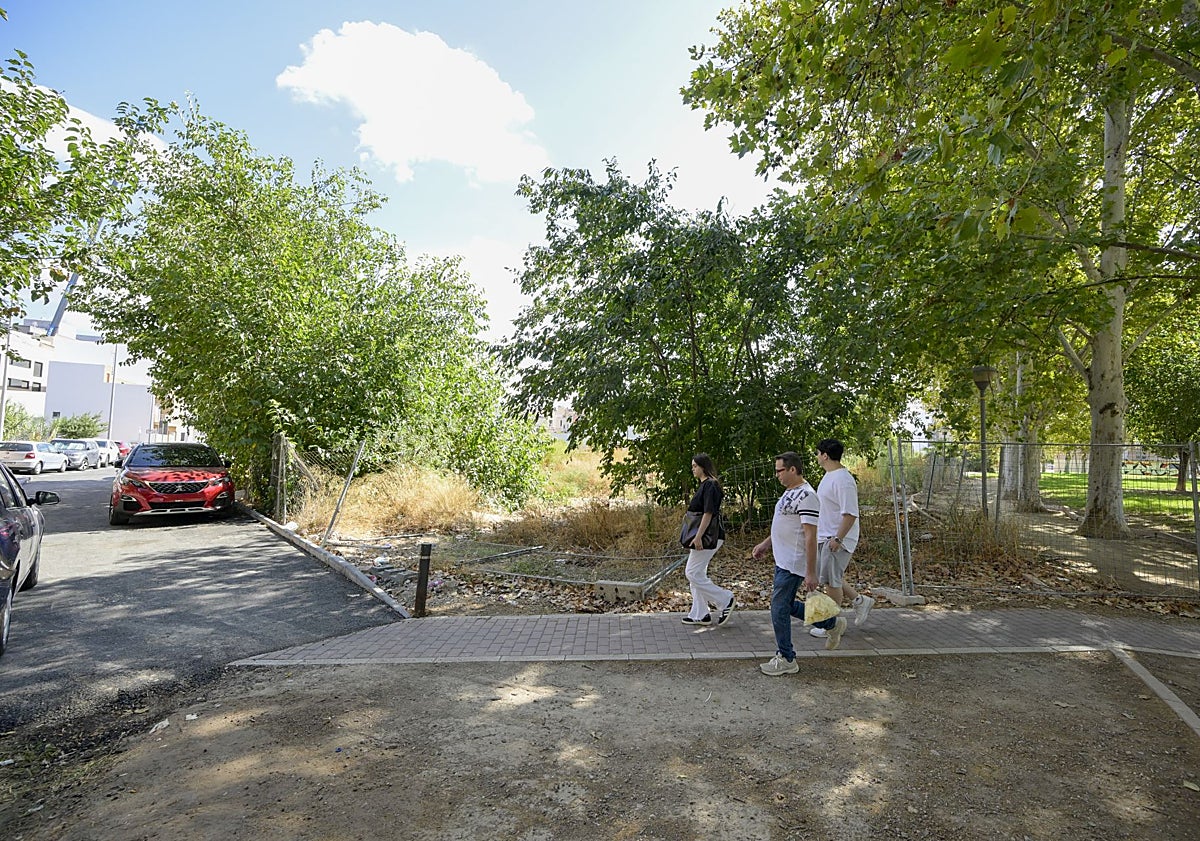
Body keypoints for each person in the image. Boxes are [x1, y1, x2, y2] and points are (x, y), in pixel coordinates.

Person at [752, 452, 846, 675]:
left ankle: (786, 658)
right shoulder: (789, 493)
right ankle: (832, 624)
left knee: (778, 609)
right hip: (782, 560)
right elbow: (783, 524)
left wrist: (810, 572)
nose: (777, 475)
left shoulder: (807, 496)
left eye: (779, 471)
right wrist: (767, 544)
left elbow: (810, 536)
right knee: (785, 606)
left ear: (792, 469)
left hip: (794, 563)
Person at [810, 438, 874, 641]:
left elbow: (850, 513)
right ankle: (860, 601)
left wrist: (838, 538)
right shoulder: (829, 476)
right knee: (830, 578)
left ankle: (832, 624)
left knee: (831, 582)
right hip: (825, 536)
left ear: (825, 455)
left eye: (818, 453)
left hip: (836, 539)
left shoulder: (843, 480)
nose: (817, 456)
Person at [680, 453, 735, 627]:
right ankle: (700, 614)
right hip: (706, 536)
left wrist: (698, 536)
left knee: (692, 573)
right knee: (697, 573)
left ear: (703, 466)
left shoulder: (710, 485)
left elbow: (708, 512)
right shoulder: (705, 485)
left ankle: (725, 599)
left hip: (708, 537)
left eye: (695, 466)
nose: (693, 469)